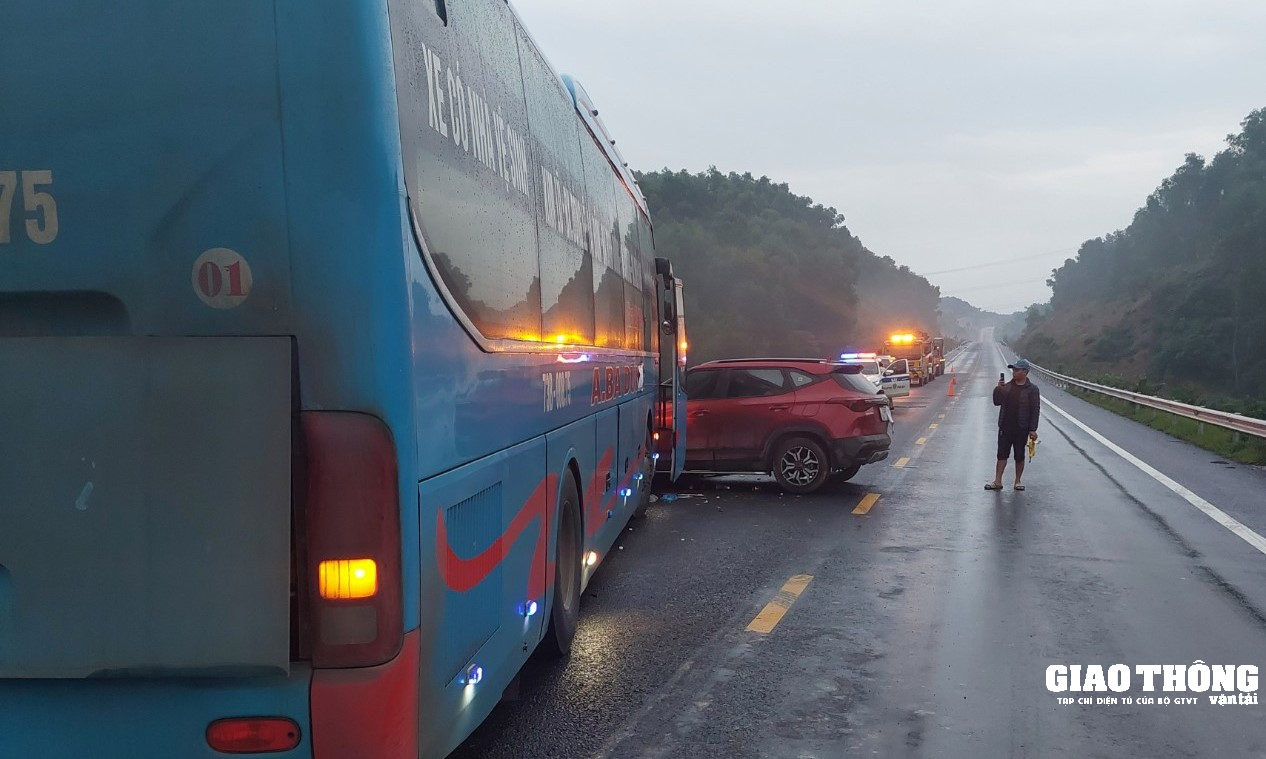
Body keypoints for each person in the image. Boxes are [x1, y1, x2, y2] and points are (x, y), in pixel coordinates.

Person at [986, 358, 1040, 491]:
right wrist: (998, 389)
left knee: (1019, 455)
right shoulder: (1007, 386)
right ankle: (997, 481)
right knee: (1002, 454)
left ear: (1025, 372)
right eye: (1013, 370)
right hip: (1005, 426)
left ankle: (1018, 481)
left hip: (1021, 428)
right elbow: (997, 402)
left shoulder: (1032, 390)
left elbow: (1035, 410)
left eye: (1017, 370)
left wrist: (1033, 429)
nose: (1014, 372)